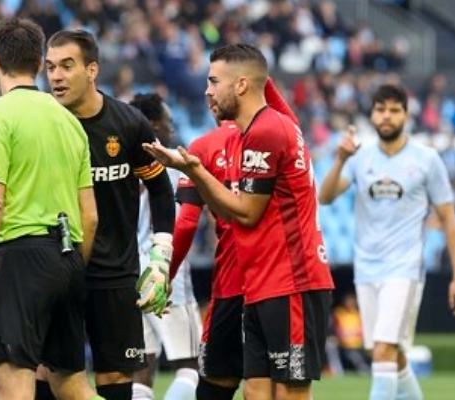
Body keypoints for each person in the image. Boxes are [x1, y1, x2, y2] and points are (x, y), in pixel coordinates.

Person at [144, 43, 334, 400]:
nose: (207, 91)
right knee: (256, 390)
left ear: (242, 85)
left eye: (214, 81)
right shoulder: (275, 125)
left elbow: (246, 211)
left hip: (291, 279)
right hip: (259, 281)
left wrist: (194, 170)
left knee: (291, 391)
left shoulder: (264, 132)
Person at [0, 17, 101, 400]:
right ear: (40, 64)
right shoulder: (70, 121)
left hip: (22, 256)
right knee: (70, 383)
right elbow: (91, 215)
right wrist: (69, 266)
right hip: (69, 258)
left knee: (13, 378)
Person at [45, 29, 176, 400]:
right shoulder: (43, 123)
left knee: (116, 377)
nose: (55, 76)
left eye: (66, 66)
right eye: (50, 67)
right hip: (57, 270)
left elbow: (161, 190)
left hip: (115, 274)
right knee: (48, 374)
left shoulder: (129, 123)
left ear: (92, 70)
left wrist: (161, 256)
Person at [318, 83, 455, 400]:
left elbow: (448, 217)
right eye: (381, 110)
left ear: (406, 115)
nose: (387, 116)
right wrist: (340, 159)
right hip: (366, 270)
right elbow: (324, 197)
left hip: (404, 270)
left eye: (394, 110)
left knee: (382, 351)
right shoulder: (359, 157)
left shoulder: (427, 159)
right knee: (393, 355)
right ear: (372, 115)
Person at [166, 77, 300, 400]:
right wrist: (256, 74)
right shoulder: (278, 135)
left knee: (215, 387)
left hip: (231, 283)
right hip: (277, 282)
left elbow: (185, 226)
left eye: (214, 84)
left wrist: (166, 274)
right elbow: (292, 123)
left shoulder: (202, 147)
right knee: (277, 388)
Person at [129, 93, 201, 400]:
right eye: (168, 123)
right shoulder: (171, 163)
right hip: (165, 269)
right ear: (155, 124)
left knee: (144, 364)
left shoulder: (120, 161)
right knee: (193, 365)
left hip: (132, 270)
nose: (172, 130)